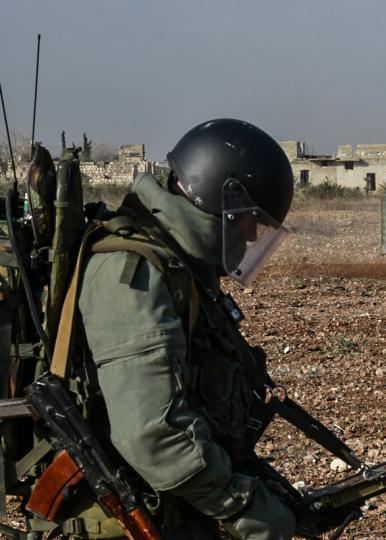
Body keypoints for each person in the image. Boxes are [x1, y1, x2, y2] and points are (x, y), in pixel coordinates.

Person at [70, 119, 297, 539]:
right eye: (249, 219)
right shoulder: (133, 273)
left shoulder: (179, 266)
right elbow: (153, 431)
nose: (250, 235)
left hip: (174, 503)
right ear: (218, 195)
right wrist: (242, 507)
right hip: (133, 516)